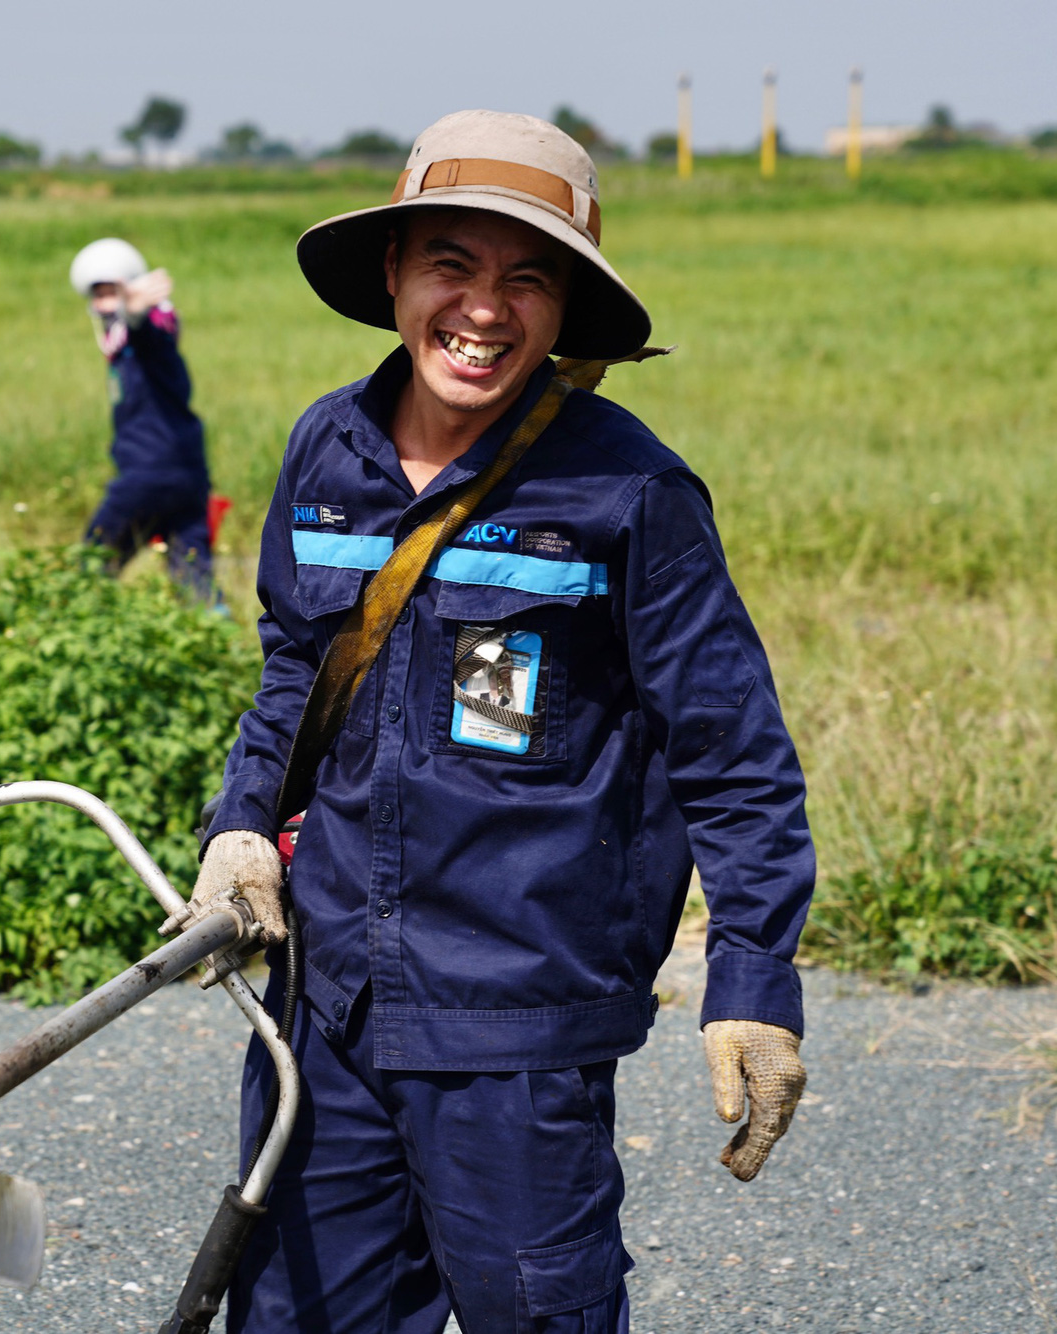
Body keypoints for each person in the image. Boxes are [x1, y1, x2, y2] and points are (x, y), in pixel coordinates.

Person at [167, 111, 814, 1332]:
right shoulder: (328, 452)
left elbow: (730, 754)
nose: (484, 307)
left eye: (527, 276)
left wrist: (752, 981)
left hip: (518, 1019)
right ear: (392, 277)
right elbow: (293, 670)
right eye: (450, 266)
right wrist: (243, 826)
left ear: (565, 307)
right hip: (329, 1007)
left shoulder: (626, 490)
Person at [69, 237, 217, 599]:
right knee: (194, 578)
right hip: (188, 478)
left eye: (113, 293)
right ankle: (217, 638)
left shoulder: (149, 342)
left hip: (145, 476)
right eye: (99, 295)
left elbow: (148, 333)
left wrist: (135, 314)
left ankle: (72, 633)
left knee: (91, 565)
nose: (106, 304)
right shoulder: (126, 351)